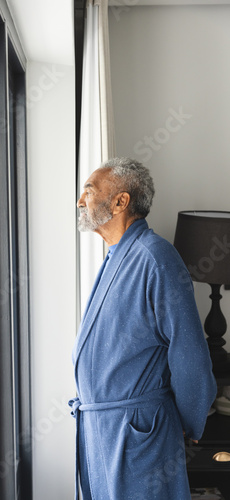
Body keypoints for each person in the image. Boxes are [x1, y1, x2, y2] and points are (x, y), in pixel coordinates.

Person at [69, 157, 217, 500]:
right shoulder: (116, 257)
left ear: (121, 201)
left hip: (136, 431)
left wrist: (189, 420)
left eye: (89, 191)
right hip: (103, 430)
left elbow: (190, 353)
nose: (80, 201)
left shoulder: (155, 258)